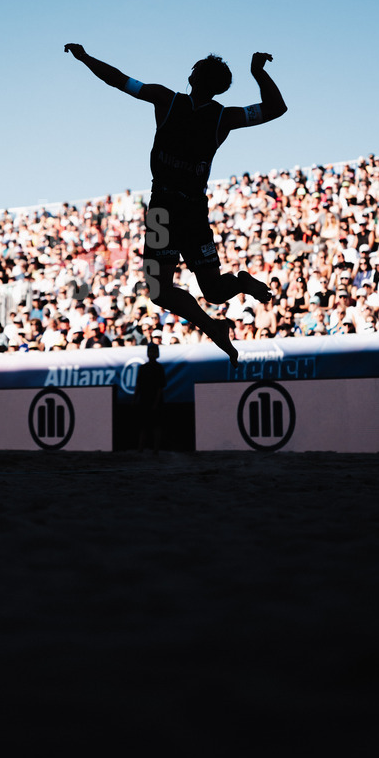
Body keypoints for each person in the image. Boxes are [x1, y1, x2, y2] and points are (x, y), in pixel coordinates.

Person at [64, 44, 287, 366]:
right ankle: (232, 295)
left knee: (159, 290)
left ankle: (214, 324)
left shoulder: (167, 99)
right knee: (212, 290)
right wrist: (259, 73)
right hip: (194, 210)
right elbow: (276, 108)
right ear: (220, 87)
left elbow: (119, 80)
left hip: (163, 209)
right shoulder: (224, 116)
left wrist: (85, 59)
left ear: (193, 77)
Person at [134, 340, 166, 453]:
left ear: (157, 354)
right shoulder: (143, 368)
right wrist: (135, 397)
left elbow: (160, 388)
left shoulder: (159, 368)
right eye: (150, 351)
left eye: (154, 351)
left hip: (155, 400)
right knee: (143, 426)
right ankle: (140, 448)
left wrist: (156, 403)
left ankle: (156, 449)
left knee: (156, 426)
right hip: (144, 400)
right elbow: (138, 384)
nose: (152, 354)